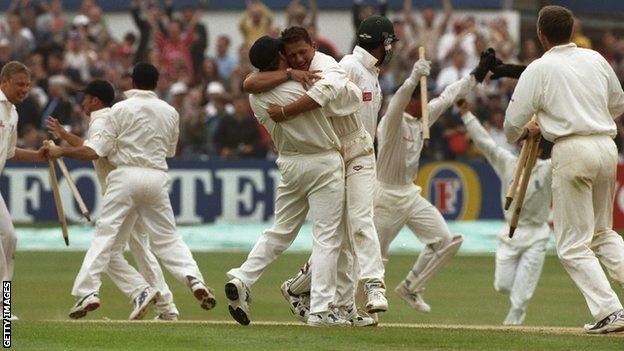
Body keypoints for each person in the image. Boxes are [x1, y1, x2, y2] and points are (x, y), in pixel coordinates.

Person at [45, 63, 216, 320]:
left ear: (132, 82)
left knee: (105, 237)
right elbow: (170, 150)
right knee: (167, 239)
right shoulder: (170, 111)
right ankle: (193, 279)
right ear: (157, 83)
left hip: (125, 178)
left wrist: (61, 150)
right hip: (157, 177)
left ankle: (90, 291)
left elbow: (95, 150)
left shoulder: (118, 110)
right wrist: (67, 138)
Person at [267, 17, 398, 322]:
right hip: (339, 154)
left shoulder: (370, 71)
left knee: (352, 231)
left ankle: (340, 304)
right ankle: (371, 286)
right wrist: (286, 111)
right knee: (345, 232)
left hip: (362, 152)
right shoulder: (349, 66)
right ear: (385, 44)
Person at [503, 5, 624, 334]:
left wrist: (532, 126)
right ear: (570, 31)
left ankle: (610, 311)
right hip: (606, 146)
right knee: (603, 234)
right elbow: (618, 104)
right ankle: (611, 309)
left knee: (572, 245)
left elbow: (512, 125)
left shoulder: (540, 68)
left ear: (541, 34)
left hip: (572, 149)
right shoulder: (595, 58)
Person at [225, 36, 357, 327]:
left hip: (289, 163)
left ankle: (243, 276)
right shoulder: (303, 84)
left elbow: (250, 82)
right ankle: (321, 309)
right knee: (326, 238)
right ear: (281, 58)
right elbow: (346, 97)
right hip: (322, 160)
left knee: (280, 231)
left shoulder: (256, 94)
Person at [374, 49, 494, 315]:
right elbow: (398, 101)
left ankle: (411, 287)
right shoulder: (391, 121)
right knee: (374, 260)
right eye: (422, 98)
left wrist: (476, 74)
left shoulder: (423, 115)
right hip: (383, 196)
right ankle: (362, 311)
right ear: (412, 100)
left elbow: (449, 95)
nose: (427, 103)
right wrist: (413, 76)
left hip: (409, 194)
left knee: (446, 241)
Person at [457, 99, 552, 325]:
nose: (525, 147)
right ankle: (516, 300)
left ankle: (514, 322)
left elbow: (565, 150)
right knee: (502, 285)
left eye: (531, 144)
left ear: (538, 148)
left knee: (521, 296)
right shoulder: (507, 162)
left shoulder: (548, 169)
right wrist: (467, 116)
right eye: (522, 143)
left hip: (536, 234)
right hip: (510, 233)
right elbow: (486, 143)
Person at [0, 61, 48, 321]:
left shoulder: (13, 113)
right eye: (19, 84)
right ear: (4, 82)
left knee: (9, 238)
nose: (25, 89)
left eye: (27, 84)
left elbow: (10, 153)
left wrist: (39, 156)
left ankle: (3, 306)